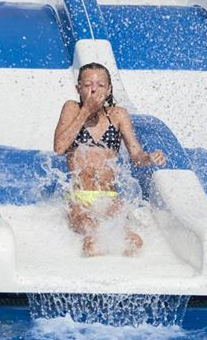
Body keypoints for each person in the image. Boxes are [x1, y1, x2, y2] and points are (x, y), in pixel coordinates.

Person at [54, 62, 166, 257]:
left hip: (109, 197)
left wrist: (148, 157)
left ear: (109, 89)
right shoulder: (72, 108)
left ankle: (126, 271)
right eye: (87, 85)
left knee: (132, 239)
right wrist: (85, 111)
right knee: (90, 231)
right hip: (80, 196)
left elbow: (136, 156)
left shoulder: (118, 114)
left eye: (100, 85)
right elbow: (59, 147)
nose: (94, 89)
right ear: (78, 88)